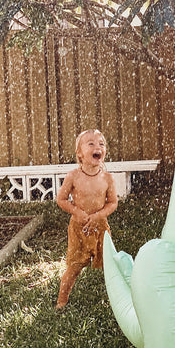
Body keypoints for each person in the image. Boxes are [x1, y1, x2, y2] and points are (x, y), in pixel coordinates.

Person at [55, 129, 118, 309]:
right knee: (74, 267)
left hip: (100, 228)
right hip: (79, 229)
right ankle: (62, 300)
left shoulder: (107, 178)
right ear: (80, 154)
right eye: (90, 143)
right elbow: (61, 199)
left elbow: (112, 203)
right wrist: (77, 212)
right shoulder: (73, 176)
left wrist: (99, 215)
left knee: (110, 264)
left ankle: (117, 299)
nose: (97, 146)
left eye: (101, 144)